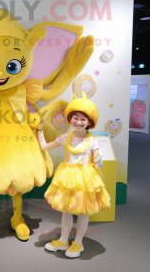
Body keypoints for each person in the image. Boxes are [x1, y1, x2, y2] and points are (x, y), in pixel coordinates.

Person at [37, 92, 111, 258]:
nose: (78, 122)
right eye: (75, 118)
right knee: (66, 210)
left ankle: (78, 242)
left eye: (83, 119)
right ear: (70, 119)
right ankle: (63, 240)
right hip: (67, 177)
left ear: (90, 122)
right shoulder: (65, 137)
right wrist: (40, 131)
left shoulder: (92, 140)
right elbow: (44, 147)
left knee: (82, 211)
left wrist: (99, 160)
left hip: (85, 178)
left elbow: (98, 164)